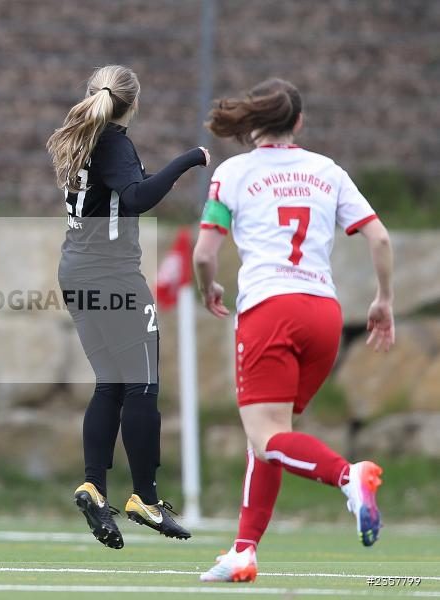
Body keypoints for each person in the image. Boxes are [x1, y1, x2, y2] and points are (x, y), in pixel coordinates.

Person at [193, 78, 394, 582]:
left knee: (267, 437)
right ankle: (244, 550)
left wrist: (208, 287)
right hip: (323, 315)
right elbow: (380, 237)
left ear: (255, 121)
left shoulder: (233, 172)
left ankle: (350, 477)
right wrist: (384, 299)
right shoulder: (327, 171)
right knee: (271, 436)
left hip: (269, 311)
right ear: (298, 123)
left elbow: (203, 252)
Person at [46, 65, 209, 548]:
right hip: (113, 278)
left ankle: (94, 484)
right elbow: (136, 198)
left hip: (75, 273)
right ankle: (145, 498)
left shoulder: (83, 135)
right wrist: (188, 160)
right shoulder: (112, 141)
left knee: (112, 384)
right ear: (132, 103)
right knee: (142, 384)